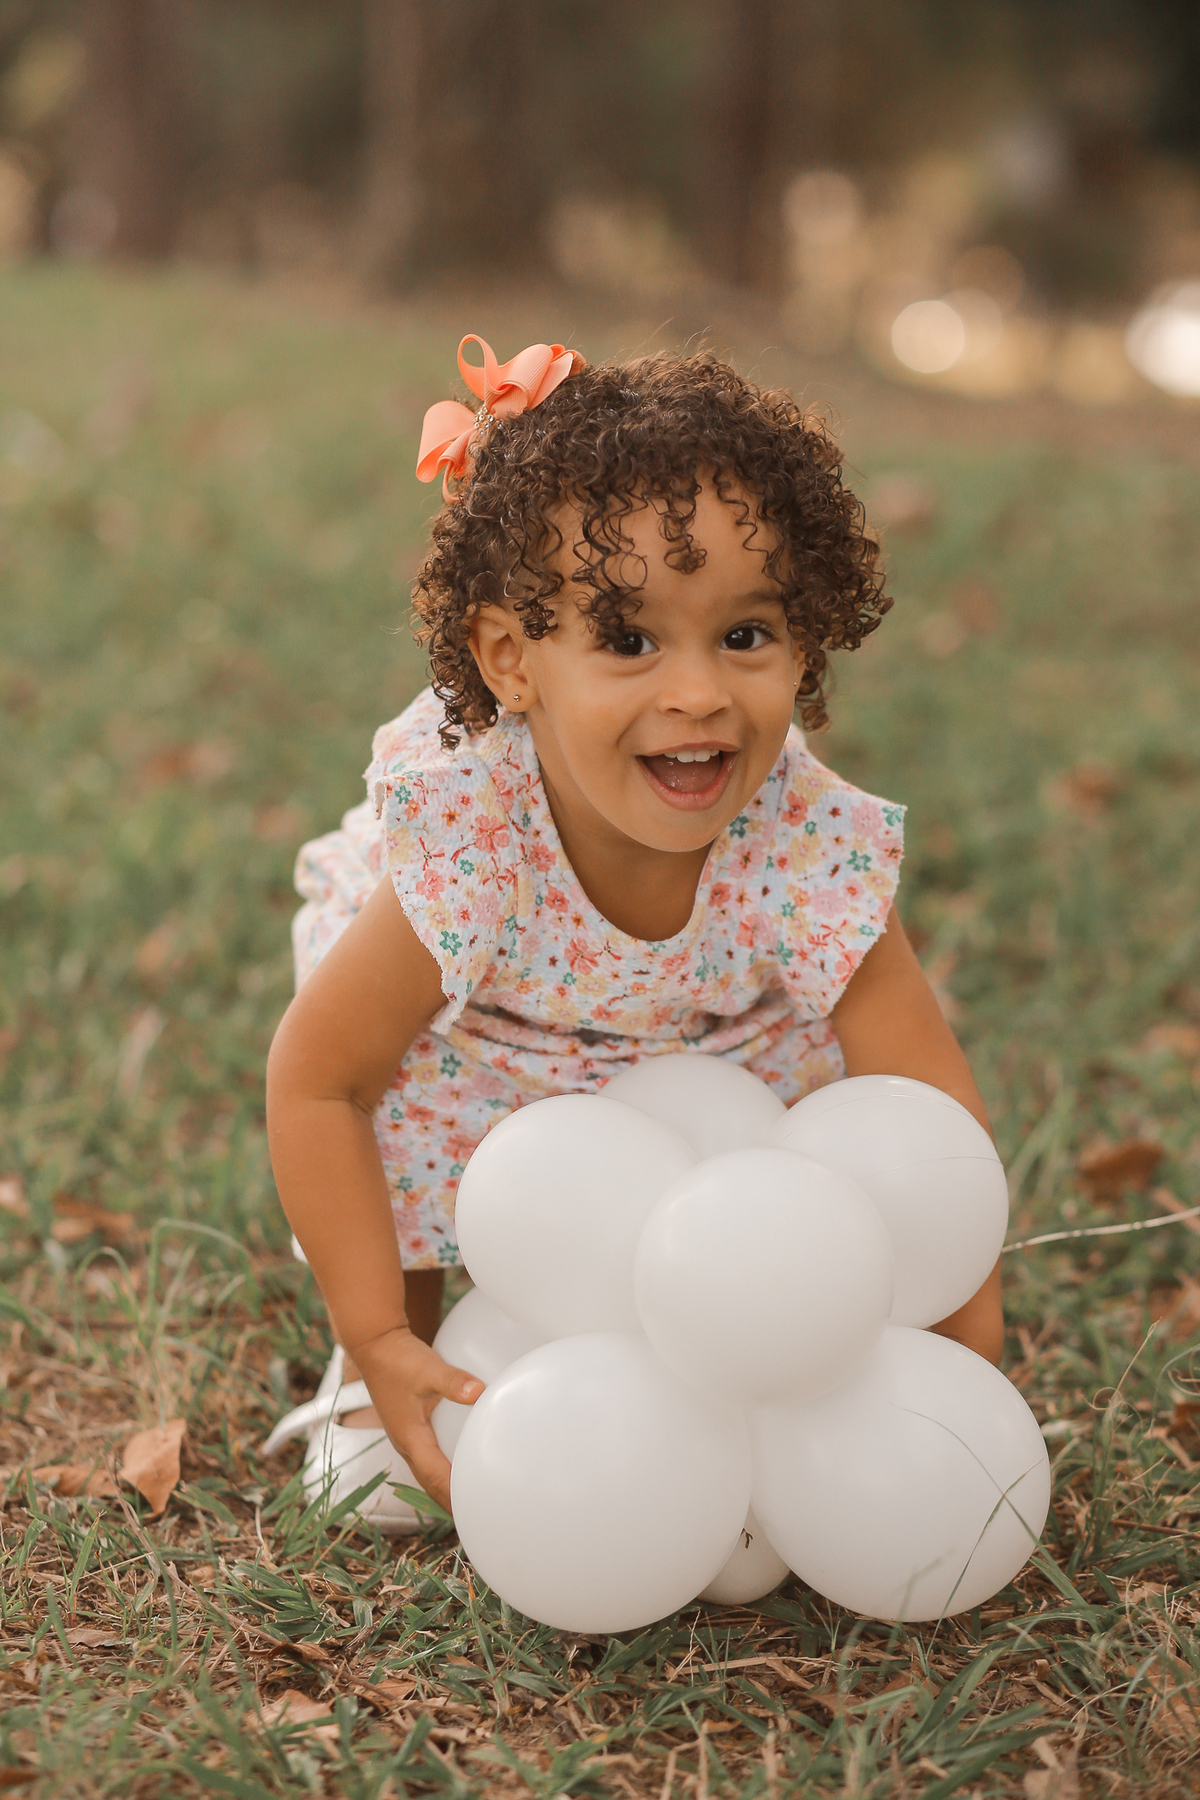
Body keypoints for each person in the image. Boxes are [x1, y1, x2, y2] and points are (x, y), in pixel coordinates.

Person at [263, 335, 1004, 1531]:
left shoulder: (801, 836)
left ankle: (736, 1356)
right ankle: (376, 1387)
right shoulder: (473, 833)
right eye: (628, 639)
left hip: (711, 1050)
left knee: (804, 1167)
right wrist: (375, 1327)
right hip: (481, 1039)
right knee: (400, 1103)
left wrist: (956, 1356)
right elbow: (320, 1082)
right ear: (512, 659)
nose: (700, 692)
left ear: (805, 638)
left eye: (747, 635)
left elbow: (925, 1107)